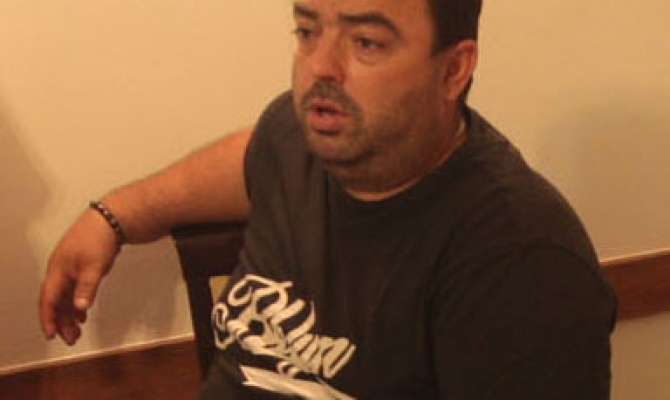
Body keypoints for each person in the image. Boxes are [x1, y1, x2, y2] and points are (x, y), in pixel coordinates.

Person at [39, 0, 618, 399]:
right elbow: (250, 157)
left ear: (453, 70)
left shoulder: (520, 262)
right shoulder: (303, 139)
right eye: (308, 31)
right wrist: (113, 216)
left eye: (366, 42)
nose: (320, 67)